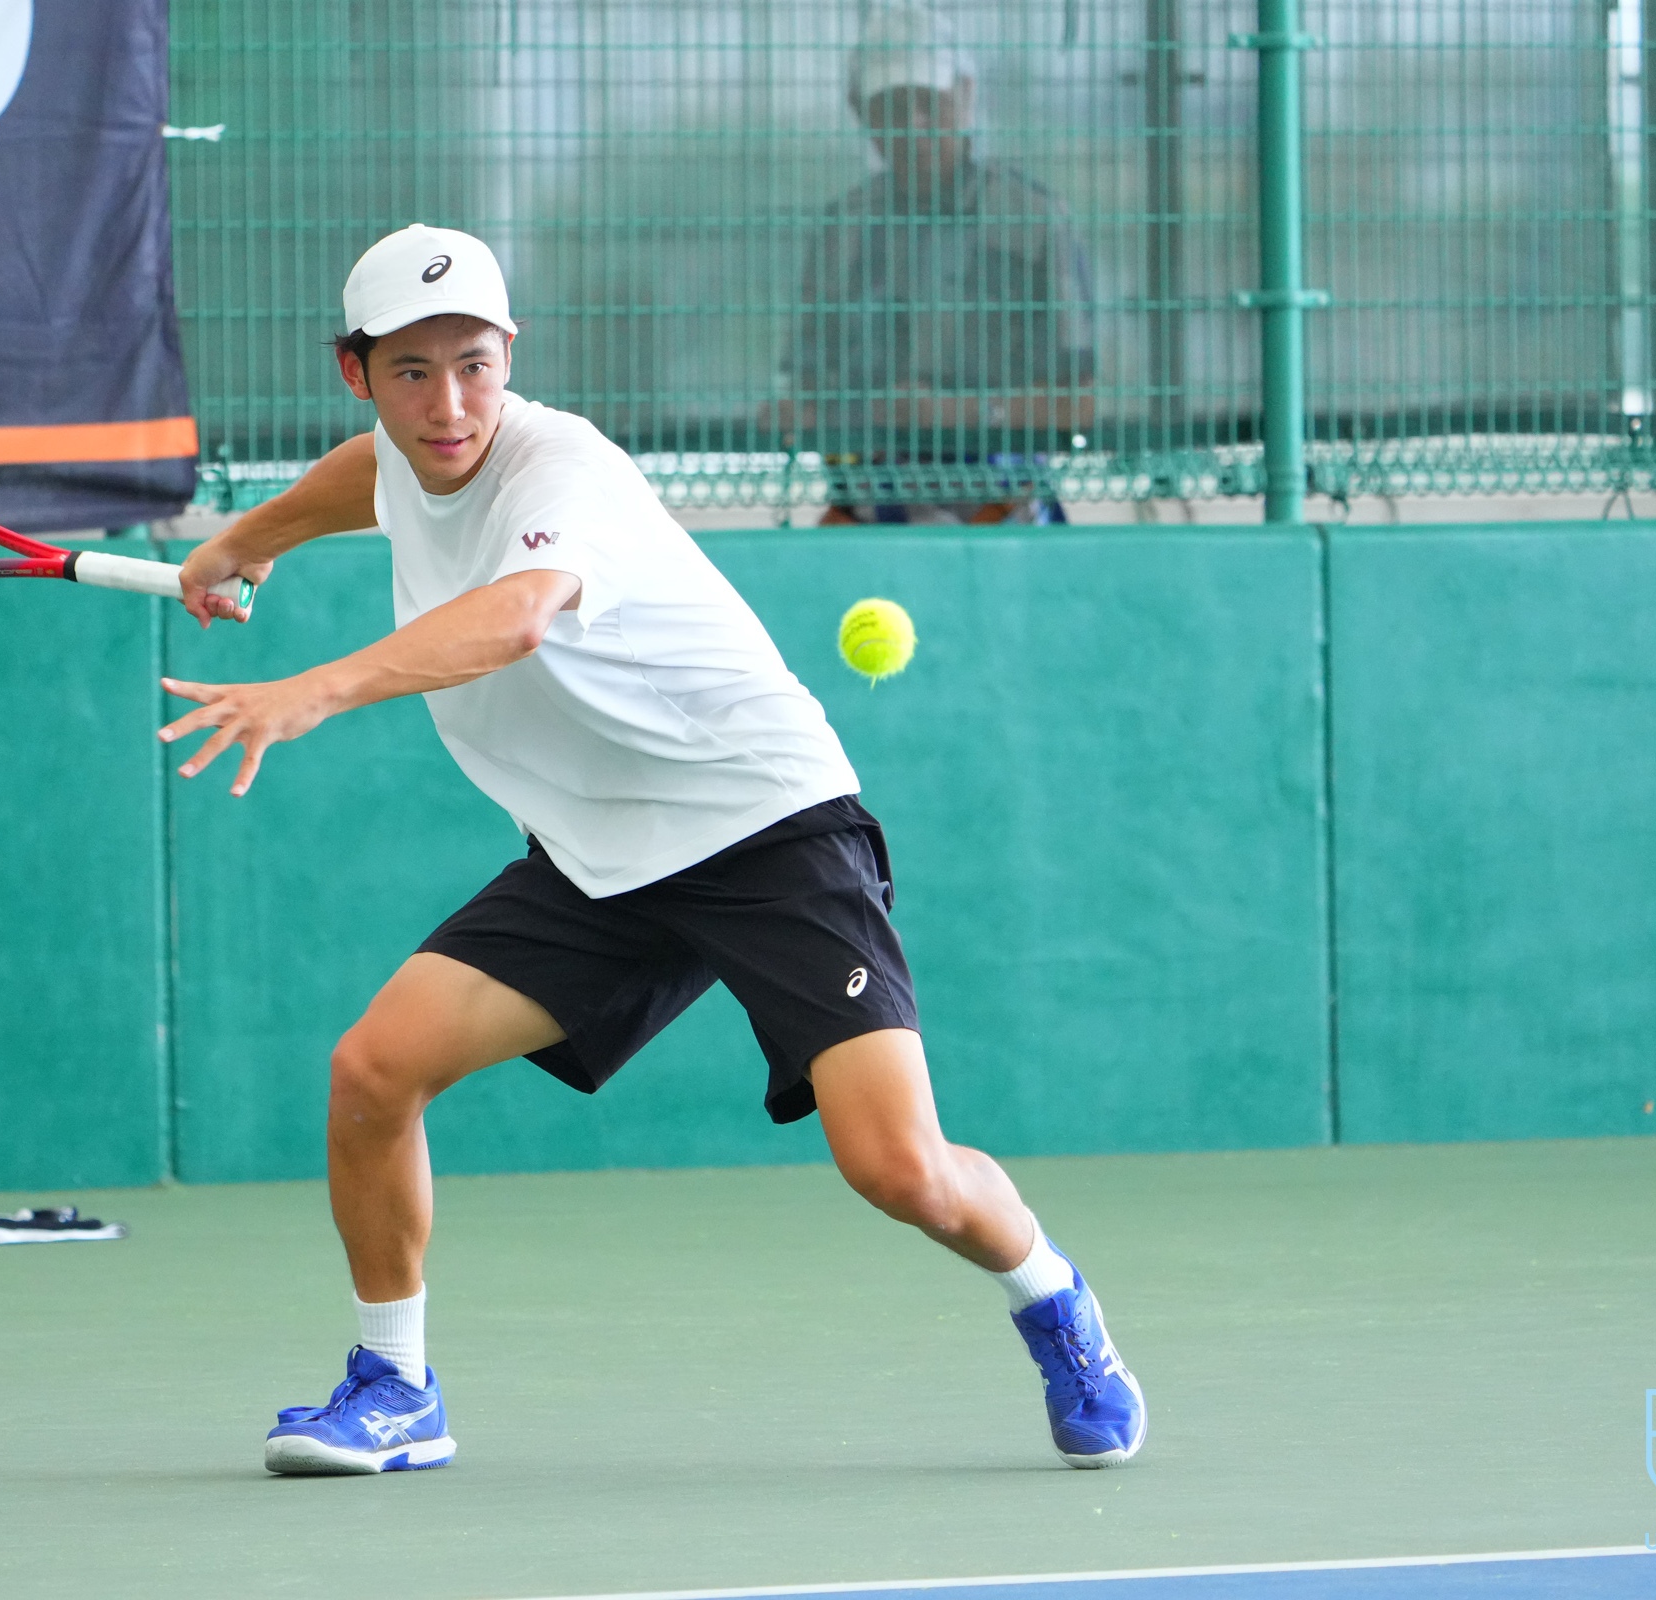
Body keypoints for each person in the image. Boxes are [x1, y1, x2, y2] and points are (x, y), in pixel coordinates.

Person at [163, 223, 1145, 1477]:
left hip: (764, 827)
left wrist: (316, 688)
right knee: (373, 1072)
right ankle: (397, 1387)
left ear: (510, 354)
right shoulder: (403, 450)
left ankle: (1052, 1297)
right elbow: (371, 477)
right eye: (411, 371)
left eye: (474, 365)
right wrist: (248, 539)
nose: (449, 403)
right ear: (357, 373)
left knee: (900, 1169)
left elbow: (517, 617)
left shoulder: (563, 468)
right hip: (597, 857)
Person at [780, 4, 1096, 524]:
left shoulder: (1033, 220)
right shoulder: (842, 231)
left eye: (928, 101)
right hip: (874, 503)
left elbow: (1081, 405)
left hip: (1004, 505)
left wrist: (957, 413)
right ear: (863, 116)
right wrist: (813, 415)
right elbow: (805, 391)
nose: (913, 124)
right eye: (891, 107)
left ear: (966, 97)